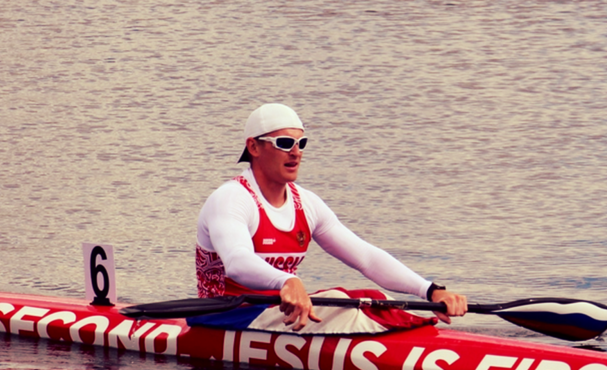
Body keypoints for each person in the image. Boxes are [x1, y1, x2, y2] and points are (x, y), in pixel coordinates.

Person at [196, 103, 467, 331]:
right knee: (338, 299)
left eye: (301, 142)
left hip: (281, 314)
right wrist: (287, 281)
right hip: (225, 318)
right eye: (284, 143)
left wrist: (431, 291)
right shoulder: (231, 198)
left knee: (372, 298)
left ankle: (418, 332)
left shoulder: (307, 203)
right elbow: (236, 261)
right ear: (253, 147)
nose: (296, 151)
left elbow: (367, 258)